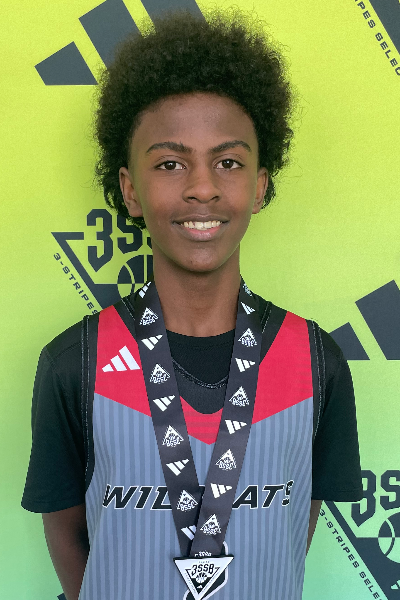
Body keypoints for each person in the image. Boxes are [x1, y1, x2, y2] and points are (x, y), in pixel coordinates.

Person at [22, 9, 362, 600]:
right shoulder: (73, 363)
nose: (202, 186)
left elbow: (291, 533)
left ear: (260, 186)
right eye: (170, 163)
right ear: (130, 189)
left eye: (228, 162)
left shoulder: (316, 362)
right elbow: (67, 533)